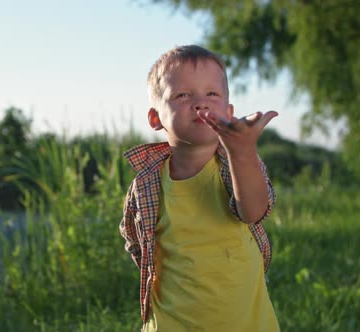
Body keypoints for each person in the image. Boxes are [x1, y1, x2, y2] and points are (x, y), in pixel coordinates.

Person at [119, 45, 280, 331]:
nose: (200, 103)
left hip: (243, 323)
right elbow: (135, 240)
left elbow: (254, 211)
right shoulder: (147, 182)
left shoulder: (236, 164)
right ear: (156, 118)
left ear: (229, 112)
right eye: (183, 95)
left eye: (212, 94)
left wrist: (242, 151)